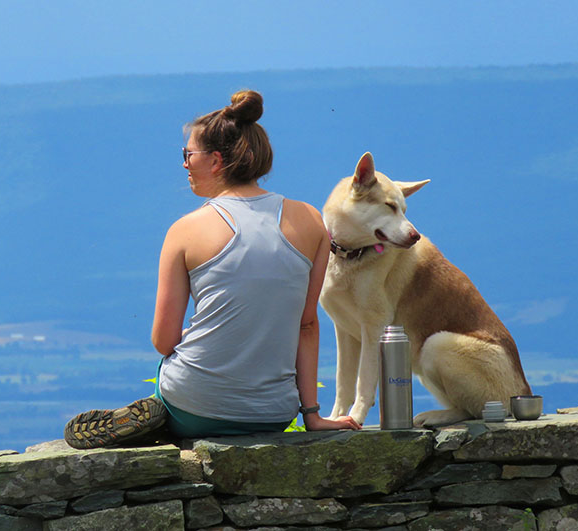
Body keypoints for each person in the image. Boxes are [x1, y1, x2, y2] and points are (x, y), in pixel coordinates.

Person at [64, 90, 359, 449]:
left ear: (216, 160)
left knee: (177, 381)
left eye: (188, 155)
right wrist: (311, 414)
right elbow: (307, 325)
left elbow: (163, 341)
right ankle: (172, 412)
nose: (185, 164)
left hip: (194, 405)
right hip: (274, 412)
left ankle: (161, 415)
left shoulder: (185, 230)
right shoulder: (312, 220)